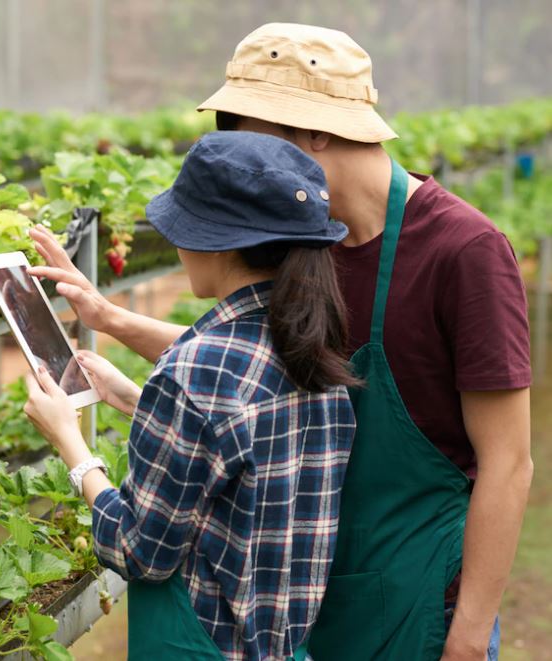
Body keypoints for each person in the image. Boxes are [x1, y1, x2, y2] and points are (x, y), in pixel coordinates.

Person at [33, 22, 533, 661]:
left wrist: (467, 636)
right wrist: (110, 319)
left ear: (317, 130)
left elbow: (509, 463)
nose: (242, 161)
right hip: (307, 597)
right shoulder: (307, 245)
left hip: (420, 605)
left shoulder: (463, 252)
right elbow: (253, 371)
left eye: (247, 137)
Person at [23, 130, 357, 660]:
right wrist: (137, 397)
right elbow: (236, 446)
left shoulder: (196, 369)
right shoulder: (314, 344)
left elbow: (139, 550)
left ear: (218, 241)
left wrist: (71, 445)